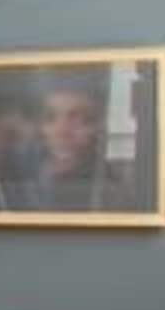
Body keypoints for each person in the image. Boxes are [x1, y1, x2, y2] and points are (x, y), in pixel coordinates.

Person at [19, 68, 137, 210]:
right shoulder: (22, 183)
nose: (61, 131)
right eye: (50, 118)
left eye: (80, 119)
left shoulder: (114, 194)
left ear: (99, 126)